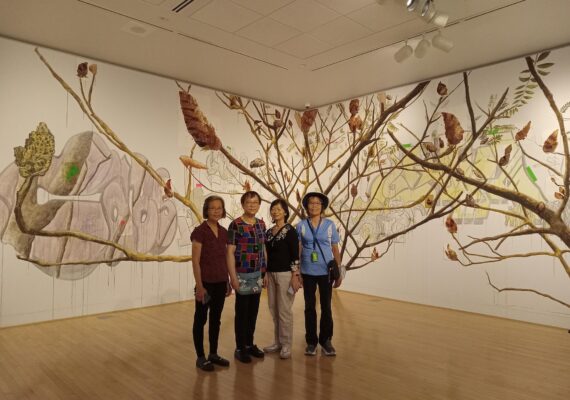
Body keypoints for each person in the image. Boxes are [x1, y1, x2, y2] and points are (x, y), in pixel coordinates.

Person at [297, 192, 342, 357]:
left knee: (326, 307)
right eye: (311, 203)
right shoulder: (301, 225)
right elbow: (299, 249)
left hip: (326, 272)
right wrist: (297, 272)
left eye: (317, 203)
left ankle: (326, 340)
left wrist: (339, 272)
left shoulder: (330, 225)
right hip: (307, 271)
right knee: (309, 308)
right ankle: (311, 342)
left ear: (322, 206)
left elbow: (335, 249)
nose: (314, 206)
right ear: (307, 206)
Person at [190, 195, 231, 372]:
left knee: (216, 320)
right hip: (205, 283)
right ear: (206, 210)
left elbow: (225, 259)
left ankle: (213, 353)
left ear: (223, 211)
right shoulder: (200, 231)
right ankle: (200, 356)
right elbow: (195, 261)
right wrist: (199, 286)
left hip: (221, 282)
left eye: (219, 208)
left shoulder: (224, 232)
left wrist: (228, 281)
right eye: (212, 208)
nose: (216, 211)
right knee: (200, 319)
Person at [227, 191, 267, 363]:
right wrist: (232, 276)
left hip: (257, 274)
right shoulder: (235, 225)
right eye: (249, 202)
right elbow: (229, 252)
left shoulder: (261, 224)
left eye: (255, 202)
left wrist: (265, 272)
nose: (252, 205)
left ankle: (249, 344)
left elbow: (263, 248)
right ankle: (240, 347)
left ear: (259, 205)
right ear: (243, 204)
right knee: (241, 312)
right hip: (242, 274)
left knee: (253, 311)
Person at [263, 199, 301, 359]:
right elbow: (266, 255)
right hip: (270, 274)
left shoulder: (290, 231)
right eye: (273, 209)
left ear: (285, 212)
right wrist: (265, 273)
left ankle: (286, 344)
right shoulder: (269, 232)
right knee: (273, 309)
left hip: (286, 274)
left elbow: (295, 254)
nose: (275, 212)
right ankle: (277, 342)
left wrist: (295, 275)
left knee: (284, 311)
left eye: (279, 209)